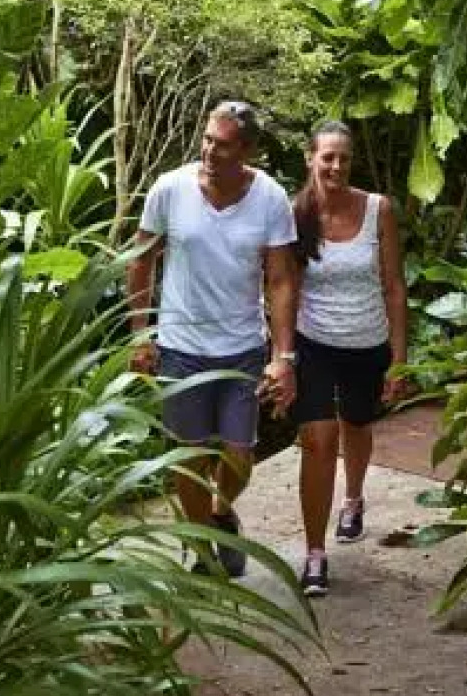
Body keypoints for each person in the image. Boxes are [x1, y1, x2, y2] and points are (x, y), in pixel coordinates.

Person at [128, 100, 300, 577]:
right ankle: (204, 547)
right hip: (180, 346)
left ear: (246, 151)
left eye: (221, 145)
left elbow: (281, 278)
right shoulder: (170, 189)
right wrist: (139, 335)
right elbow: (141, 259)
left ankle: (221, 512)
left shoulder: (269, 198)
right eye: (206, 139)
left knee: (238, 454)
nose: (208, 150)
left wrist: (284, 356)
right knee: (188, 457)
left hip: (242, 347)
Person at [288, 120, 409, 597]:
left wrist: (399, 359)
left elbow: (394, 285)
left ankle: (354, 498)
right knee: (319, 439)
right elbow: (284, 287)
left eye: (344, 158)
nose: (336, 166)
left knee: (357, 425)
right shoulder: (295, 213)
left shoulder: (378, 209)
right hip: (313, 343)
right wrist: (280, 357)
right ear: (311, 159)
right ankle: (315, 554)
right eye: (327, 157)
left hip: (368, 343)